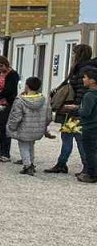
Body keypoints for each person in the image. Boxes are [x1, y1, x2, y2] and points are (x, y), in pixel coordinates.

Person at [45, 44, 95, 174]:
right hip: (72, 111)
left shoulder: (84, 70)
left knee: (80, 140)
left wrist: (75, 109)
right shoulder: (81, 68)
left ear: (79, 54)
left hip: (75, 112)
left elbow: (81, 91)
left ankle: (87, 168)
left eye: (74, 53)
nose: (72, 56)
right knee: (66, 137)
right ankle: (62, 163)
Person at [7, 77, 49, 176]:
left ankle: (27, 166)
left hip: (23, 128)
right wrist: (44, 126)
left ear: (27, 86)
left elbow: (16, 116)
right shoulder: (43, 100)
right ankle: (31, 163)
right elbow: (48, 116)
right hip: (37, 129)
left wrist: (11, 127)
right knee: (31, 145)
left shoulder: (20, 101)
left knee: (23, 146)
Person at [0, 56, 21, 162]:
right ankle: (1, 151)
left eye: (1, 66)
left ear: (6, 64)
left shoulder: (12, 75)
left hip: (6, 104)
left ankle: (6, 153)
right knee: (0, 128)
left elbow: (9, 90)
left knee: (5, 128)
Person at [73, 68, 97, 183]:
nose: (83, 79)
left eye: (85, 77)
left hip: (90, 127)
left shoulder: (89, 95)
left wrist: (77, 109)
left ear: (92, 80)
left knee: (90, 151)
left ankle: (92, 174)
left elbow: (86, 112)